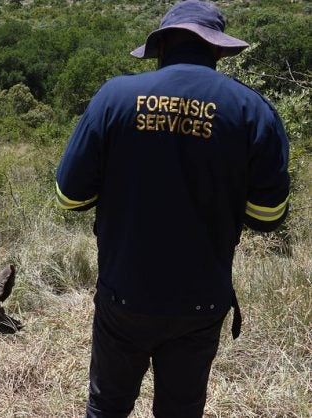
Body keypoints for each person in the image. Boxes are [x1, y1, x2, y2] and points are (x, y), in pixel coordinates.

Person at [55, 1, 290, 417]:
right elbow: (268, 218)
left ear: (160, 46)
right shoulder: (253, 111)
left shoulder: (115, 97)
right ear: (218, 51)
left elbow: (70, 197)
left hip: (122, 293)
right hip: (201, 302)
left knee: (107, 406)